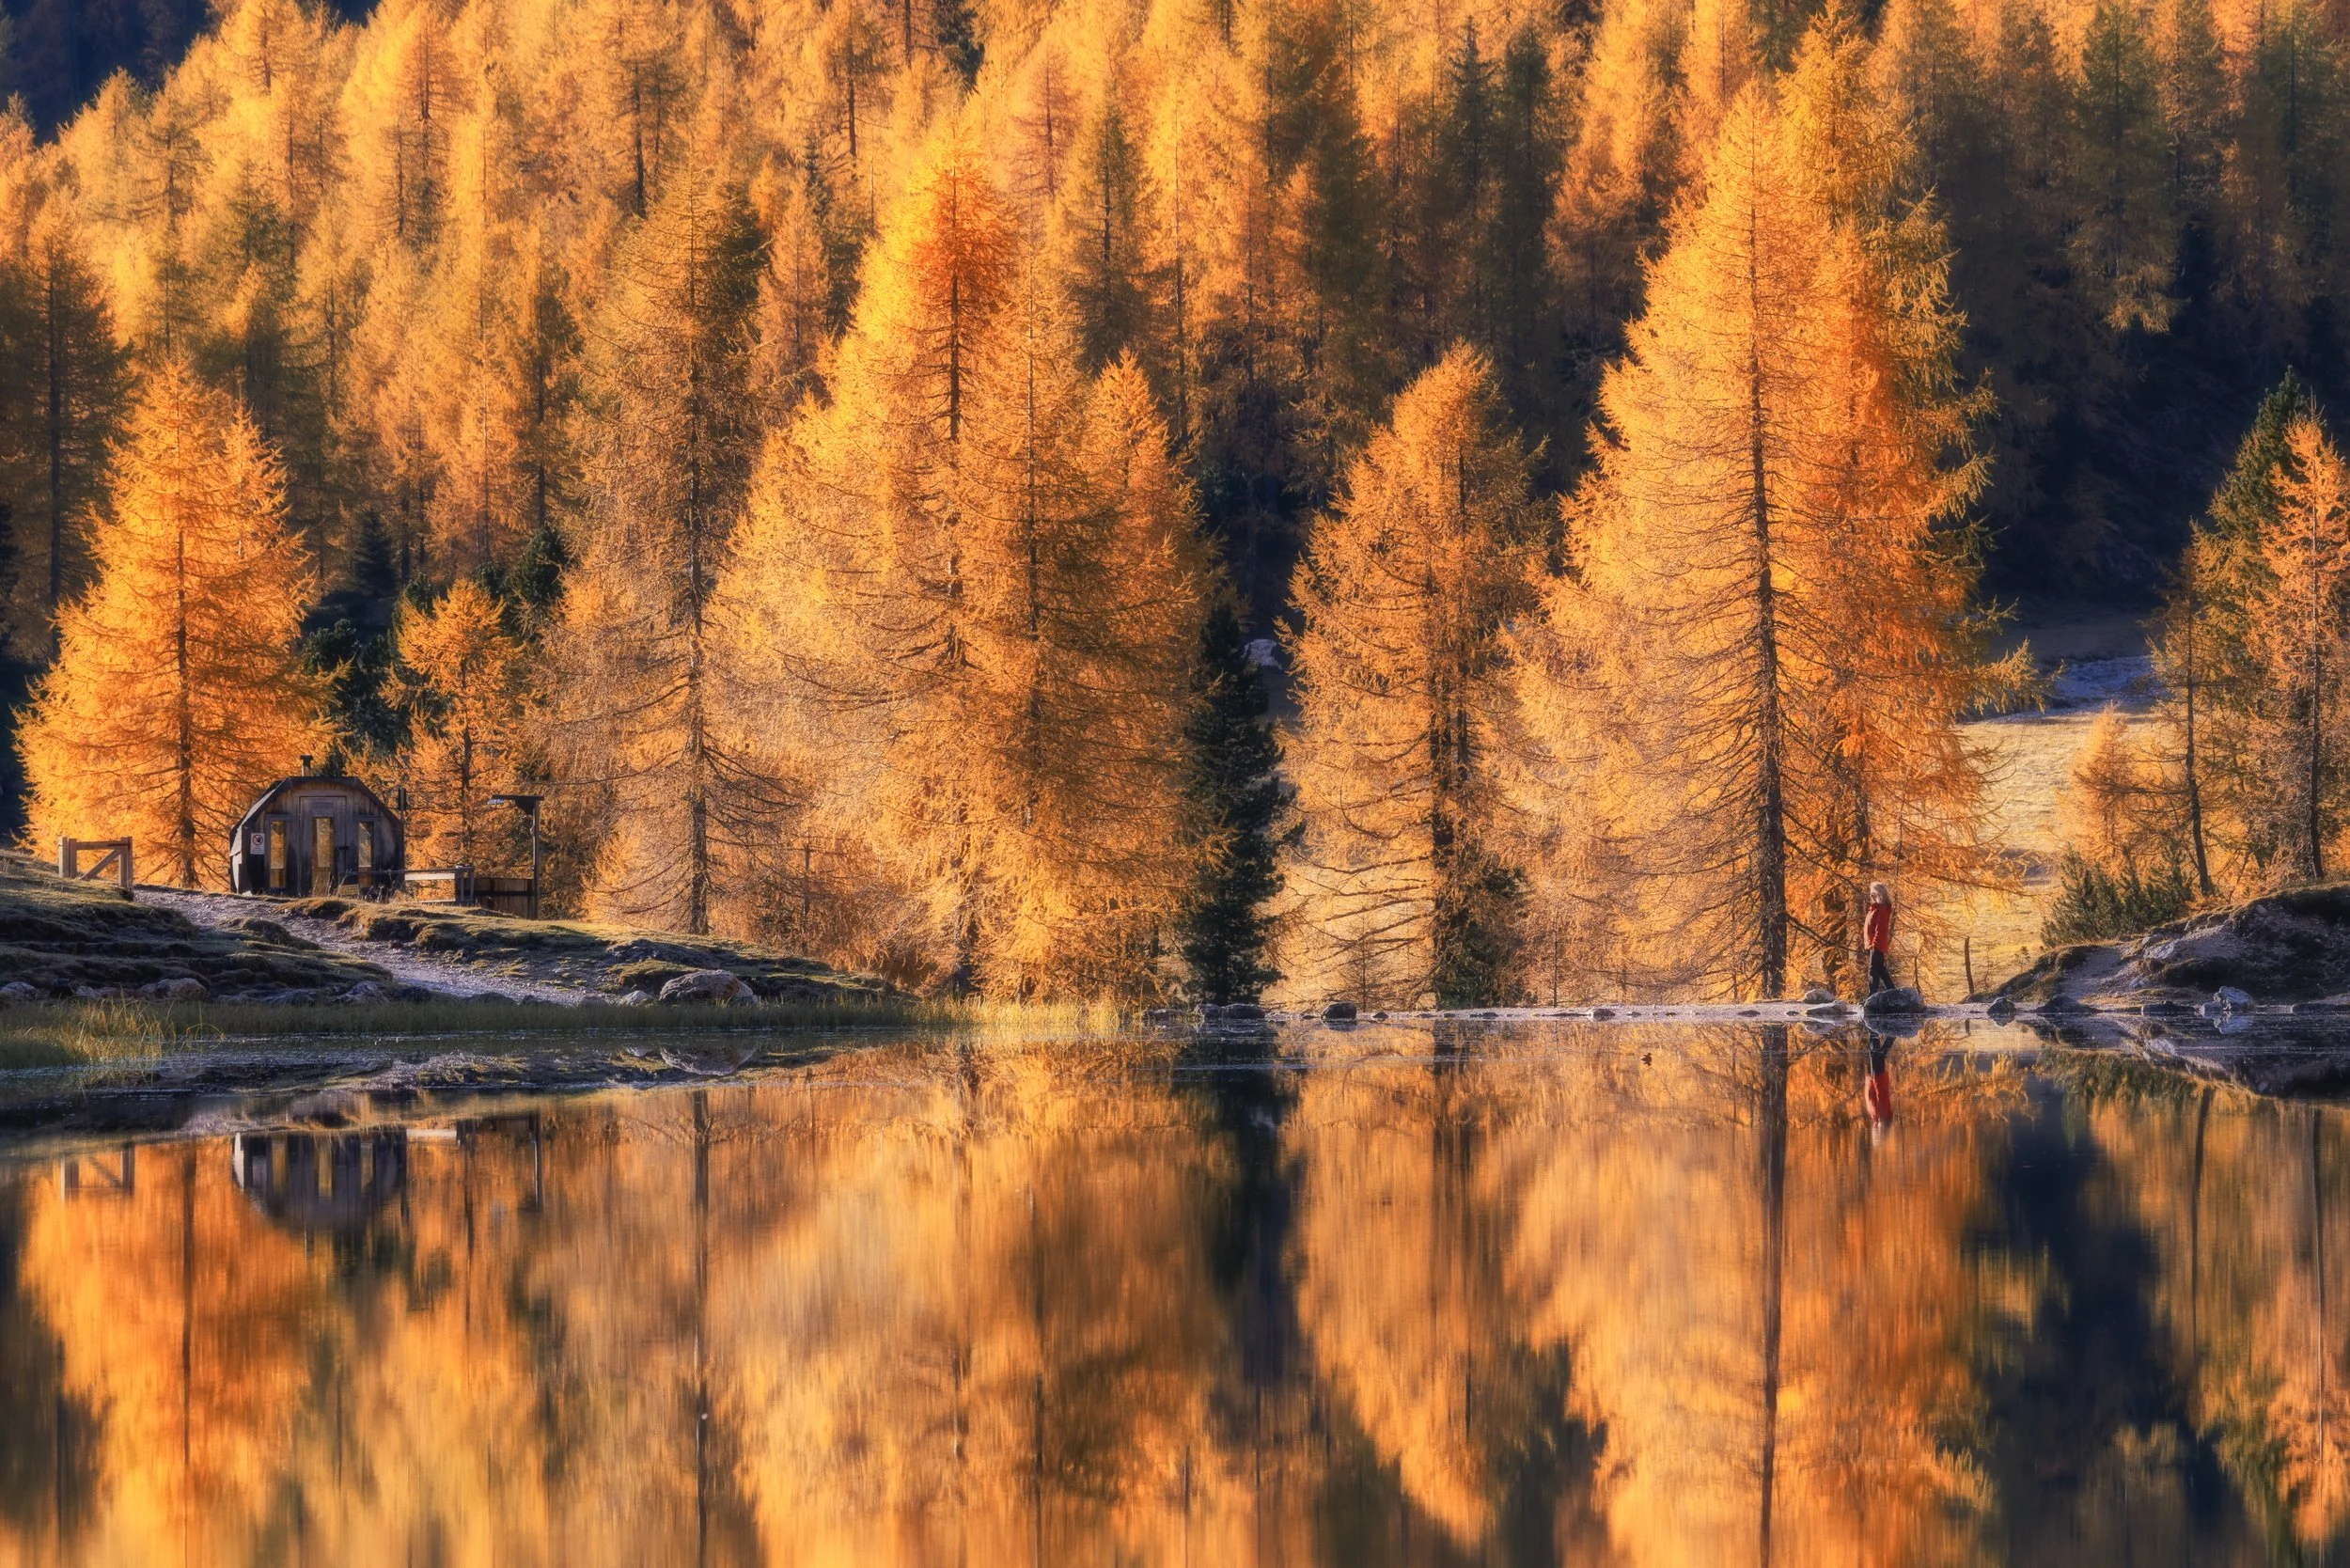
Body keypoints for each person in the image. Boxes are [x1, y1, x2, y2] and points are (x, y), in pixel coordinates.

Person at [1863, 882, 1895, 998]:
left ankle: (1871, 996)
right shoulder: (1875, 908)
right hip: (1871, 944)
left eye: (1874, 894)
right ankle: (1893, 992)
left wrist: (1874, 945)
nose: (1871, 896)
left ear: (1880, 894)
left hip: (1876, 945)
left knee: (1873, 971)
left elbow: (1880, 929)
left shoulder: (1881, 909)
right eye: (1871, 894)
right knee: (1881, 970)